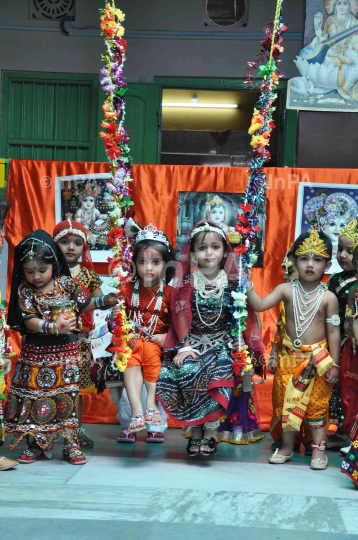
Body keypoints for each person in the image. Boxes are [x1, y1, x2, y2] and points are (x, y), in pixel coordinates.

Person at [4, 230, 116, 465]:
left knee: (67, 396)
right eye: (29, 270)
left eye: (41, 270)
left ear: (54, 265)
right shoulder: (25, 291)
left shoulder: (66, 283)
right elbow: (28, 320)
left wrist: (105, 301)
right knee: (36, 396)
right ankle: (35, 445)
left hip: (66, 354)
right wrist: (54, 326)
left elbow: (86, 303)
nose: (36, 276)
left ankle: (71, 444)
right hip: (35, 354)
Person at [246, 229, 340, 470]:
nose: (310, 265)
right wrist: (246, 285)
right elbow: (259, 304)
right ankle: (287, 447)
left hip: (317, 360)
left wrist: (335, 365)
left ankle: (318, 451)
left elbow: (334, 333)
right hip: (289, 358)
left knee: (316, 406)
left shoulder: (329, 298)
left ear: (328, 264)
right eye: (304, 258)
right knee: (288, 404)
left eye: (317, 260)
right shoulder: (285, 289)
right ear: (294, 261)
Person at [156, 220, 240, 457]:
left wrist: (239, 343)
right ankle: (194, 432)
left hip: (223, 345)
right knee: (185, 369)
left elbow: (244, 318)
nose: (209, 253)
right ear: (192, 253)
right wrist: (183, 347)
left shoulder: (234, 284)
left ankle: (211, 433)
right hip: (192, 343)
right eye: (202, 248)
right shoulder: (187, 284)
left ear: (224, 251)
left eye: (215, 247)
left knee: (218, 370)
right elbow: (180, 317)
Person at [110, 224, 174, 440]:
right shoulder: (126, 290)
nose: (148, 268)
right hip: (130, 347)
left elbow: (180, 326)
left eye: (155, 262)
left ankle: (150, 410)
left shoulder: (171, 293)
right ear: (134, 263)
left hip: (158, 347)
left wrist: (167, 337)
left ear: (166, 265)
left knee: (147, 346)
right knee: (134, 347)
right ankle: (136, 414)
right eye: (142, 262)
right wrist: (116, 317)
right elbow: (114, 324)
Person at [53, 219, 104, 448]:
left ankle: (76, 431)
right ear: (55, 244)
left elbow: (100, 301)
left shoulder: (89, 276)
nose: (71, 247)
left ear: (85, 247)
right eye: (65, 242)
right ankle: (49, 429)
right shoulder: (48, 273)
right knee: (52, 384)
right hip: (51, 339)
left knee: (77, 388)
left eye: (77, 243)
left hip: (80, 341)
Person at [269, 246, 313, 455]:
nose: (285, 275)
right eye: (284, 270)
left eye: (290, 270)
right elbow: (279, 329)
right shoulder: (285, 297)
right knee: (282, 397)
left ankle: (312, 440)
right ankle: (287, 440)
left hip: (312, 358)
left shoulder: (320, 298)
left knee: (311, 401)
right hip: (286, 357)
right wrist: (273, 354)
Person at [327, 221, 358, 450]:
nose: (343, 256)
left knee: (350, 387)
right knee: (334, 387)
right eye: (341, 249)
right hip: (332, 338)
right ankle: (339, 428)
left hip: (351, 341)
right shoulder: (334, 279)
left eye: (350, 251)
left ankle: (351, 432)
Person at [340, 222, 358, 485]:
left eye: (349, 251)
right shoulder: (354, 290)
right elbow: (346, 324)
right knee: (350, 396)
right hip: (352, 351)